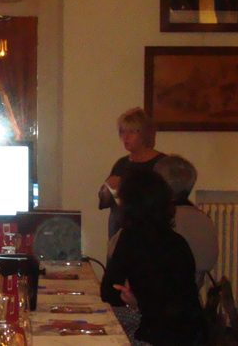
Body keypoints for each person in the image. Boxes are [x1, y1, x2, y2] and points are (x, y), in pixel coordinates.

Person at [100, 168, 206, 346]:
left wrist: (133, 301)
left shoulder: (130, 237)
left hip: (158, 336)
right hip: (192, 333)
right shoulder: (178, 241)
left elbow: (108, 293)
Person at [98, 108, 166, 239]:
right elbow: (105, 201)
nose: (125, 137)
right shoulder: (122, 164)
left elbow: (162, 203)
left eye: (132, 131)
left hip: (151, 234)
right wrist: (107, 190)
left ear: (145, 134)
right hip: (120, 233)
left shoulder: (161, 164)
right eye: (123, 132)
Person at [154, 155, 219, 289]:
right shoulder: (204, 220)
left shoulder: (155, 220)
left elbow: (116, 252)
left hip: (155, 297)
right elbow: (208, 262)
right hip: (192, 295)